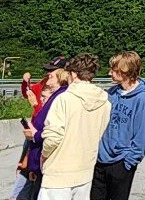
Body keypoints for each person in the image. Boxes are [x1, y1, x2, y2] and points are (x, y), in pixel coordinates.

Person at [39, 53, 112, 200]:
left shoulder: (64, 99)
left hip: (59, 173)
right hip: (85, 172)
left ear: (73, 74)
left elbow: (52, 138)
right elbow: (99, 134)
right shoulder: (105, 102)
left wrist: (44, 155)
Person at [92, 51, 145, 200]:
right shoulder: (112, 93)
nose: (110, 73)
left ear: (126, 71)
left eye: (114, 70)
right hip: (101, 160)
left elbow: (142, 135)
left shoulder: (142, 98)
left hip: (122, 162)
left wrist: (129, 162)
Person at [18, 67, 71, 200]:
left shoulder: (60, 98)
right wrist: (25, 82)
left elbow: (45, 128)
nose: (48, 76)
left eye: (51, 73)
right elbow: (27, 92)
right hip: (37, 148)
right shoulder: (43, 84)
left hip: (45, 154)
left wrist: (36, 106)